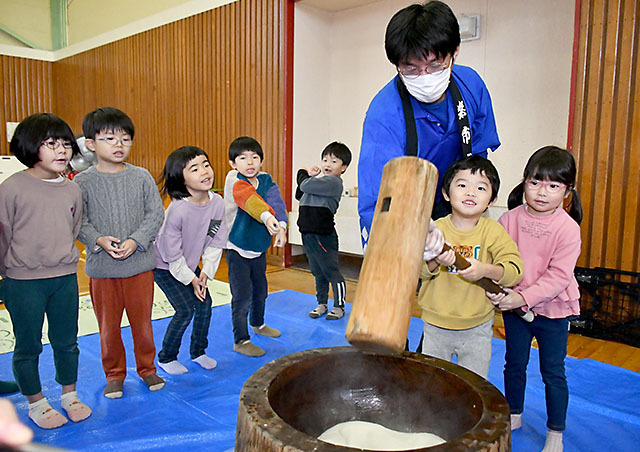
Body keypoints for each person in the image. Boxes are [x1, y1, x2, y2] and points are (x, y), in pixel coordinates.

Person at [358, 0, 500, 249]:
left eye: (435, 65)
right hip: (407, 209)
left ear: (455, 51)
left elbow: (478, 155)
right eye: (411, 69)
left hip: (457, 205)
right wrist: (401, 237)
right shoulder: (384, 113)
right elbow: (377, 199)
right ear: (396, 65)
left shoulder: (471, 84)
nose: (424, 77)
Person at [486, 146, 582, 452]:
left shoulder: (568, 229)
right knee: (514, 363)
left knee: (552, 371)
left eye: (554, 185)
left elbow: (557, 277)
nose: (543, 192)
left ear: (567, 191)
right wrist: (495, 289)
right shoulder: (508, 220)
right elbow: (497, 261)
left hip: (553, 310)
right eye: (535, 182)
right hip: (515, 307)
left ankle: (556, 430)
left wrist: (522, 298)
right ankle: (514, 412)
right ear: (524, 181)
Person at [0, 113, 92, 429]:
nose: (62, 151)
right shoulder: (11, 188)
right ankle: (36, 402)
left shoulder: (72, 190)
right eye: (50, 144)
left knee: (67, 341)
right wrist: (8, 278)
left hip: (64, 278)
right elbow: (3, 235)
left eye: (66, 143)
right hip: (22, 282)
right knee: (28, 345)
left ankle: (69, 395)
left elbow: (74, 227)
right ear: (29, 147)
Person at [75, 107, 165, 399]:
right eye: (110, 138)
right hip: (103, 270)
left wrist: (136, 241)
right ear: (91, 143)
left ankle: (148, 368)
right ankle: (114, 374)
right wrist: (98, 239)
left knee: (143, 324)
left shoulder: (141, 177)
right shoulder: (82, 182)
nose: (119, 145)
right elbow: (78, 221)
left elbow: (155, 214)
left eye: (125, 139)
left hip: (139, 267)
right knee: (108, 328)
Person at [419, 156, 523, 379]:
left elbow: (515, 269)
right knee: (433, 384)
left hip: (477, 328)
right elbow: (415, 271)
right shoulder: (435, 230)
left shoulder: (492, 232)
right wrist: (436, 260)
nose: (471, 192)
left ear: (492, 199)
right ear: (447, 194)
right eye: (462, 184)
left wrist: (486, 270)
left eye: (481, 187)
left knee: (473, 385)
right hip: (436, 326)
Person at [154, 146, 228, 375]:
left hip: (190, 263)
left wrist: (205, 273)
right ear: (181, 178)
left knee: (204, 304)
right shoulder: (177, 211)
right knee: (185, 309)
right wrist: (192, 279)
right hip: (165, 265)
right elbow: (173, 256)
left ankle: (198, 351)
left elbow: (215, 240)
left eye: (206, 164)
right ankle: (167, 357)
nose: (204, 171)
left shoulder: (217, 204)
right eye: (194, 169)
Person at [224, 136, 287, 357]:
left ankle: (258, 324)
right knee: (242, 296)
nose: (250, 162)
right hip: (237, 247)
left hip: (257, 247)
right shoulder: (234, 179)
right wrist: (267, 218)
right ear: (233, 163)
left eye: (255, 157)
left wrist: (282, 225)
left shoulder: (266, 179)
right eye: (243, 158)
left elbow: (277, 202)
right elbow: (249, 200)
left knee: (260, 290)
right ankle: (240, 340)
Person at [295, 142, 352, 320]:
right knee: (317, 271)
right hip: (308, 233)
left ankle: (339, 306)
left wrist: (302, 173)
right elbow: (300, 194)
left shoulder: (334, 183)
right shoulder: (317, 183)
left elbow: (303, 185)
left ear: (343, 168)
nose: (327, 164)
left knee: (330, 271)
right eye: (325, 160)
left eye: (334, 161)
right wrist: (309, 178)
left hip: (323, 236)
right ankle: (322, 303)